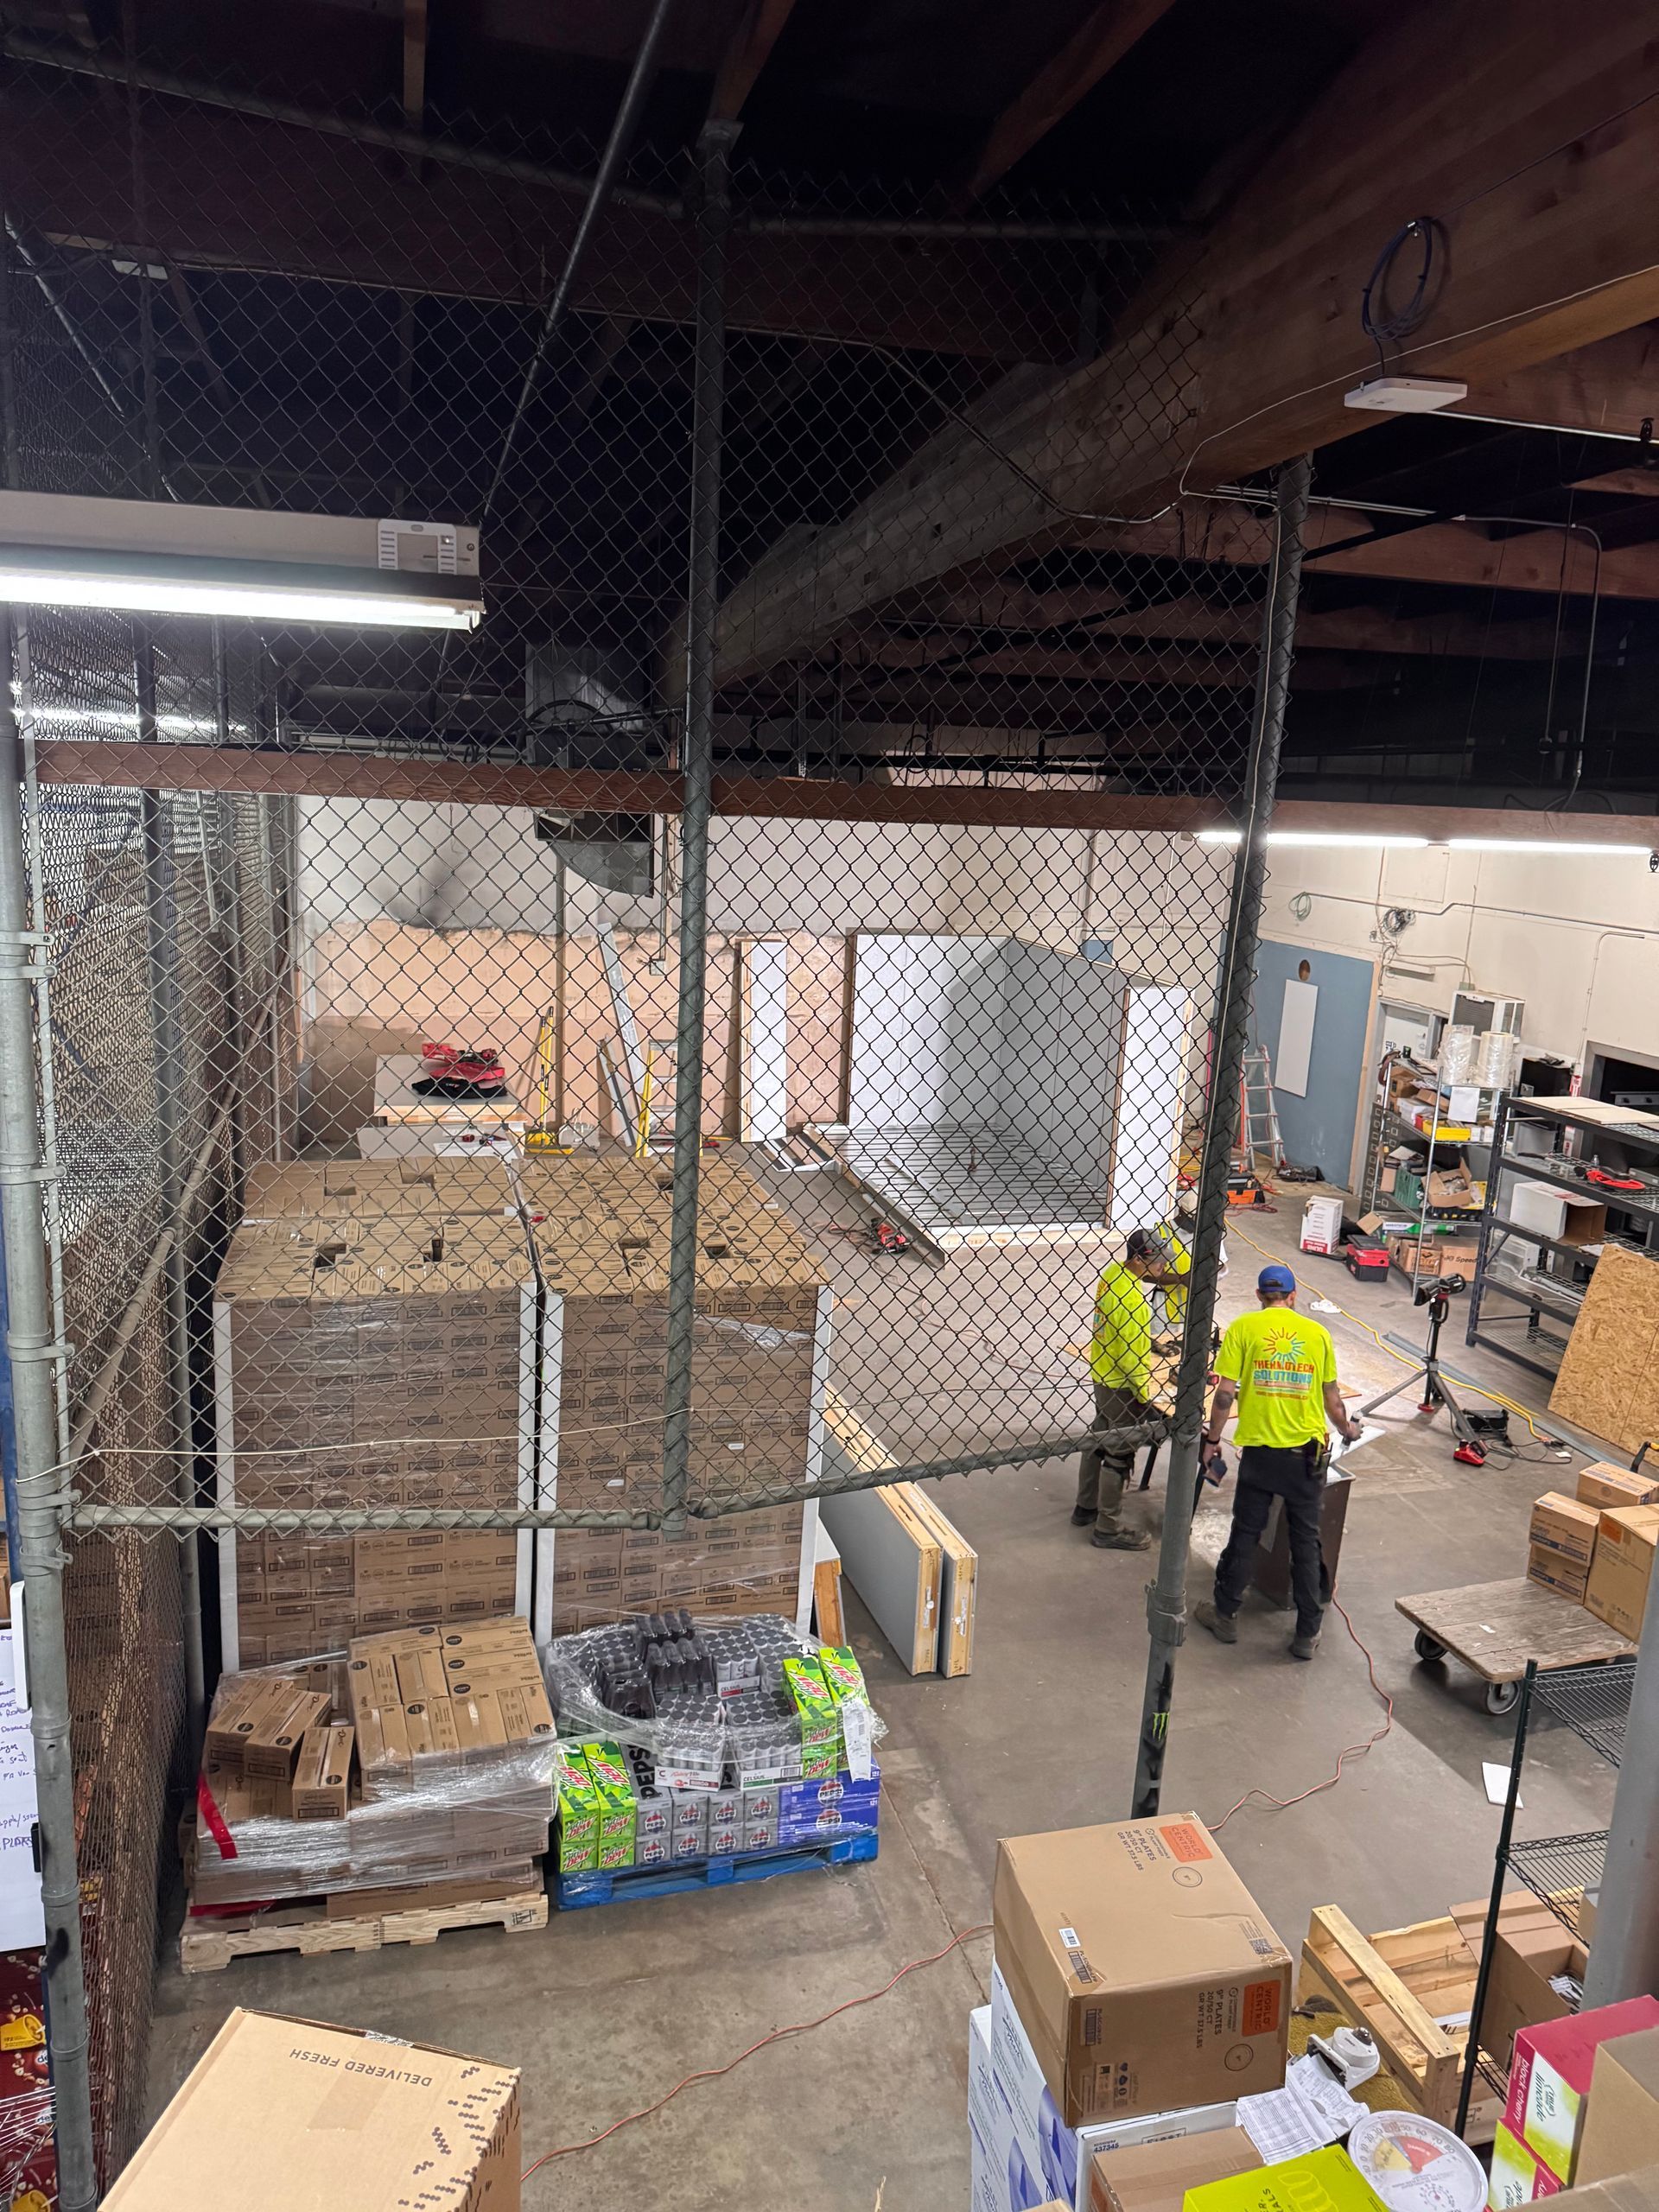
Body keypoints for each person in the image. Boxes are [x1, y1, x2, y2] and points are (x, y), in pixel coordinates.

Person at [1193, 1261, 1361, 1659]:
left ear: (1258, 1296)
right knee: (1306, 1541)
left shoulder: (1242, 1330)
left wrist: (1213, 1440)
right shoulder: (1317, 1334)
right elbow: (1333, 1401)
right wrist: (1348, 1431)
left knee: (1246, 1532)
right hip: (1304, 1457)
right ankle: (1306, 1633)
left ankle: (1226, 1613)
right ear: (1293, 1297)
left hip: (1260, 1456)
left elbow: (1223, 1395)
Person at [1073, 1230, 1169, 1552]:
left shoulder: (1113, 1274)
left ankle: (1085, 1506)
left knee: (1099, 1439)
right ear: (1141, 1259)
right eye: (1158, 1261)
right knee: (1119, 1453)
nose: (1162, 1269)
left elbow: (1120, 1335)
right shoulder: (1132, 1300)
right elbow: (1130, 1357)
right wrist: (1147, 1395)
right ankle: (1108, 1527)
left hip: (1102, 1373)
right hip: (1122, 1385)